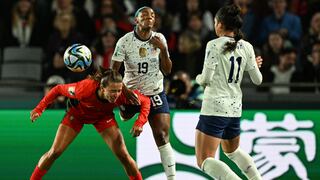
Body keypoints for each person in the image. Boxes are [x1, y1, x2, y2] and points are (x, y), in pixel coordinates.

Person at [29, 68, 150, 180]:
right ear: (102, 88)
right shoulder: (84, 89)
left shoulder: (123, 95)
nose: (116, 95)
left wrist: (140, 122)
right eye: (113, 91)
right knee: (54, 152)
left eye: (119, 90)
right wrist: (39, 109)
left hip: (103, 117)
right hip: (76, 116)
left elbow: (146, 101)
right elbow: (58, 89)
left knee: (124, 155)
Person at [195, 4, 263, 180]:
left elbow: (206, 79)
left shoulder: (213, 45)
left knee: (204, 160)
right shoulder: (246, 47)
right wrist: (253, 65)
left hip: (214, 107)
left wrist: (197, 78)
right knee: (232, 151)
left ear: (219, 24)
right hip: (234, 108)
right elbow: (258, 80)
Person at [111, 6, 176, 180]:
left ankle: (172, 177)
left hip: (154, 91)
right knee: (124, 116)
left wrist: (163, 50)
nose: (150, 17)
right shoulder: (124, 41)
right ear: (136, 20)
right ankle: (126, 112)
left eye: (153, 15)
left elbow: (168, 70)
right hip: (130, 92)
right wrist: (124, 90)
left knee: (162, 136)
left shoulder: (160, 39)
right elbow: (113, 71)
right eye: (145, 15)